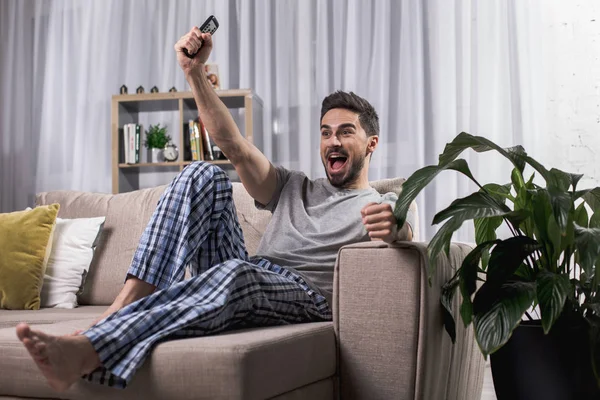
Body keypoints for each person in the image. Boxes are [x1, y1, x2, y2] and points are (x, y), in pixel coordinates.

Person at [16, 27, 415, 392]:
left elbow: (405, 234)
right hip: (253, 274)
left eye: (346, 132)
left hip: (306, 295)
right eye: (326, 132)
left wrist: (395, 229)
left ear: (371, 144)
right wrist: (193, 72)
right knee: (202, 173)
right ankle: (123, 306)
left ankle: (90, 350)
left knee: (238, 272)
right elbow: (233, 145)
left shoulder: (380, 203)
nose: (333, 141)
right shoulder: (295, 186)